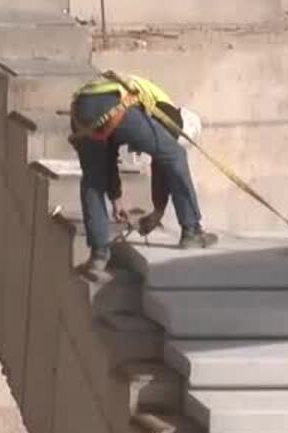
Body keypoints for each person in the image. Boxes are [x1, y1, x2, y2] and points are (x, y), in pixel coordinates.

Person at [68, 71, 217, 278]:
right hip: (115, 103)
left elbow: (108, 158)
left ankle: (98, 255)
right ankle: (192, 230)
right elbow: (165, 161)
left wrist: (116, 199)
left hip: (81, 109)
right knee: (176, 155)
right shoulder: (169, 112)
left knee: (93, 180)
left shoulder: (147, 100)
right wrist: (158, 210)